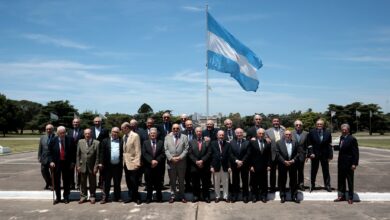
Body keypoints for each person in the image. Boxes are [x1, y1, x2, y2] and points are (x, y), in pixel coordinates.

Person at [48, 126, 74, 204]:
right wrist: (51, 161)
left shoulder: (70, 139)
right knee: (56, 181)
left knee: (66, 181)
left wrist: (72, 162)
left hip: (67, 163)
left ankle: (66, 197)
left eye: (64, 132)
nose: (63, 134)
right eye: (61, 133)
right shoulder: (53, 140)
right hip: (56, 164)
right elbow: (49, 153)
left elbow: (73, 152)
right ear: (57, 133)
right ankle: (58, 197)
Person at [334, 124, 359, 204]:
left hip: (349, 164)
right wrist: (333, 147)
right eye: (342, 129)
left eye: (345, 129)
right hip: (341, 163)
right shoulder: (342, 138)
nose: (344, 131)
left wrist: (354, 164)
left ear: (348, 130)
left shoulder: (352, 139)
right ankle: (341, 196)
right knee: (341, 181)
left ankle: (350, 197)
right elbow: (342, 148)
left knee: (350, 181)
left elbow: (355, 153)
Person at [164, 123, 189, 203]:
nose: (175, 130)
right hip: (171, 162)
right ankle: (173, 195)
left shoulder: (184, 137)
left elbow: (186, 149)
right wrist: (171, 158)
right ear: (172, 129)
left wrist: (180, 157)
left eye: (177, 128)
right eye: (174, 128)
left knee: (181, 180)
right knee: (172, 180)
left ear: (179, 129)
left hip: (181, 162)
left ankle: (182, 196)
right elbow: (166, 149)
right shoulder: (167, 137)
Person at [276, 130, 302, 203]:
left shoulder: (295, 143)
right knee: (282, 181)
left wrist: (293, 160)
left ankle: (294, 196)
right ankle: (283, 196)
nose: (288, 136)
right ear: (284, 135)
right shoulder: (278, 143)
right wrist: (284, 161)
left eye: (289, 134)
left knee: (293, 181)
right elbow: (277, 153)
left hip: (293, 164)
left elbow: (299, 153)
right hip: (283, 164)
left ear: (291, 135)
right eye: (286, 134)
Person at [99, 127, 123, 204]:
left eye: (116, 132)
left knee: (117, 183)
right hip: (107, 166)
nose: (115, 133)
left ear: (119, 133)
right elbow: (102, 153)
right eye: (113, 131)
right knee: (106, 183)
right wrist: (101, 163)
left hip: (118, 166)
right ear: (111, 132)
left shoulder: (121, 141)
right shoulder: (105, 141)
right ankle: (105, 198)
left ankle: (117, 197)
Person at [308, 119, 333, 192]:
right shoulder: (312, 132)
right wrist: (311, 153)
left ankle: (327, 185)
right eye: (318, 124)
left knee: (326, 171)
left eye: (320, 124)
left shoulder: (328, 133)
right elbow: (309, 145)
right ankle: (312, 185)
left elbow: (329, 145)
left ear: (323, 125)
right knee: (313, 171)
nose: (319, 125)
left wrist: (330, 155)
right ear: (316, 125)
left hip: (324, 155)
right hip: (314, 155)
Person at [76, 128, 100, 204]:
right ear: (84, 134)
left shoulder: (97, 143)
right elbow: (78, 155)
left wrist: (96, 167)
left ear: (91, 134)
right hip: (82, 166)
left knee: (92, 182)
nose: (87, 135)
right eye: (86, 133)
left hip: (92, 166)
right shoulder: (80, 142)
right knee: (82, 182)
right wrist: (78, 165)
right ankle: (83, 196)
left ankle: (92, 196)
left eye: (89, 133)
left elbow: (97, 156)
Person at [142, 128, 166, 203]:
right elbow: (144, 153)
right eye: (151, 133)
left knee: (158, 183)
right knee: (148, 183)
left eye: (154, 133)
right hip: (148, 167)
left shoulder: (161, 142)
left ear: (156, 134)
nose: (153, 134)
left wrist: (156, 161)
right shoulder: (145, 143)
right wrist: (151, 161)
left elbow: (163, 153)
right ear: (149, 135)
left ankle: (159, 197)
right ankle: (149, 198)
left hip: (158, 166)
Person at [188, 127, 212, 203]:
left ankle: (206, 196)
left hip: (205, 165)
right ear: (195, 132)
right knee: (195, 183)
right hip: (195, 166)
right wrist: (196, 161)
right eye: (197, 131)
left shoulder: (207, 141)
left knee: (206, 183)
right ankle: (196, 196)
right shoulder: (191, 142)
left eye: (200, 131)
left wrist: (202, 161)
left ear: (202, 132)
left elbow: (209, 152)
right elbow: (190, 153)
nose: (199, 133)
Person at [121, 122, 142, 204]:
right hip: (126, 163)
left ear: (126, 128)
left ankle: (137, 197)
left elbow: (138, 150)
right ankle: (131, 196)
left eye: (122, 128)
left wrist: (137, 162)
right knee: (128, 181)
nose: (121, 130)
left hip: (133, 162)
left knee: (134, 181)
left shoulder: (135, 136)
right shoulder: (124, 136)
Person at [249, 128, 271, 203]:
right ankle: (254, 196)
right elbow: (250, 155)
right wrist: (251, 166)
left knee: (264, 182)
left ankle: (263, 196)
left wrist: (268, 165)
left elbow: (269, 155)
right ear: (257, 134)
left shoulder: (267, 143)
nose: (261, 135)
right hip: (254, 166)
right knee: (254, 182)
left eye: (262, 134)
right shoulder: (252, 143)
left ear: (264, 135)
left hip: (264, 166)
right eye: (260, 133)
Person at [230, 128, 251, 203]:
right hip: (235, 165)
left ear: (243, 133)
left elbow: (248, 153)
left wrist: (242, 161)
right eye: (237, 133)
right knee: (235, 181)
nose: (239, 134)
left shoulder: (247, 142)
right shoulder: (231, 142)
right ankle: (235, 196)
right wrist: (237, 161)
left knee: (245, 181)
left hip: (244, 165)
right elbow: (230, 154)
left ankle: (245, 196)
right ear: (235, 134)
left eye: (240, 133)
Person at [210, 130, 231, 203]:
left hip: (225, 166)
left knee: (225, 182)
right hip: (216, 166)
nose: (221, 136)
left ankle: (226, 197)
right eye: (220, 135)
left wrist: (229, 166)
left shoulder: (227, 144)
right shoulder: (212, 143)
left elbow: (229, 156)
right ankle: (217, 197)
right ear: (217, 136)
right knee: (216, 182)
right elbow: (211, 156)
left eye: (222, 135)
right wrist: (211, 166)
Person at [265, 117, 285, 192]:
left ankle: (281, 187)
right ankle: (272, 187)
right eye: (274, 121)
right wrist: (266, 138)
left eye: (277, 121)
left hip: (282, 154)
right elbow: (263, 139)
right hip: (272, 154)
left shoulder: (284, 130)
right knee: (272, 172)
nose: (276, 122)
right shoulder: (267, 131)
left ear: (279, 122)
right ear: (272, 122)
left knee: (282, 172)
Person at [291, 120, 309, 191]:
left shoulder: (306, 133)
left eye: (300, 125)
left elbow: (307, 145)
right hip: (293, 155)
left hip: (302, 155)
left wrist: (307, 155)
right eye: (297, 125)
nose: (298, 126)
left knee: (301, 171)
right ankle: (294, 184)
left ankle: (301, 184)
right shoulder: (291, 133)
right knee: (293, 171)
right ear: (294, 126)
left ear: (302, 126)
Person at [67, 118, 84, 190]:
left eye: (77, 122)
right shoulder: (69, 131)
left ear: (79, 123)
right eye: (74, 122)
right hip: (71, 154)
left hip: (80, 154)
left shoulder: (83, 131)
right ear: (72, 123)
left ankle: (79, 184)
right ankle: (72, 184)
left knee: (79, 170)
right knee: (71, 170)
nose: (75, 124)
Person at [38, 124, 55, 190]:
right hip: (44, 158)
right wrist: (39, 157)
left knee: (53, 173)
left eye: (50, 129)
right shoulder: (42, 137)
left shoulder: (56, 137)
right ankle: (48, 183)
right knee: (43, 171)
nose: (48, 130)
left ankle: (52, 185)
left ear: (52, 130)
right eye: (47, 129)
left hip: (52, 159)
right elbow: (40, 148)